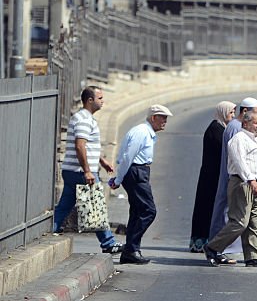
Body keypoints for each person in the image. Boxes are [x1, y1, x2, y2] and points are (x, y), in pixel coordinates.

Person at [53, 86, 123, 254]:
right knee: (96, 206)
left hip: (73, 171)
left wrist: (102, 161)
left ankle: (52, 228)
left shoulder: (84, 118)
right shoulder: (84, 119)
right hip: (81, 172)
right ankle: (108, 243)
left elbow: (87, 146)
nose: (103, 101)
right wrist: (87, 171)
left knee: (64, 206)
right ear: (90, 100)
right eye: (100, 98)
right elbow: (80, 146)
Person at [205, 111, 257, 268]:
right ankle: (213, 247)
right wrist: (251, 179)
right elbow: (240, 162)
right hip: (244, 183)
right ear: (245, 123)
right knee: (240, 222)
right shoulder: (239, 139)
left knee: (255, 222)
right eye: (255, 123)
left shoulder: (254, 140)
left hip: (256, 185)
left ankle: (253, 257)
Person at [111, 104, 173, 264]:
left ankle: (131, 251)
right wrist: (118, 179)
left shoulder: (146, 132)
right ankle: (131, 248)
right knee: (148, 211)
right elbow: (127, 157)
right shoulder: (141, 132)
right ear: (153, 118)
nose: (165, 122)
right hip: (135, 172)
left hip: (139, 172)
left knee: (137, 212)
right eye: (163, 118)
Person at [189, 101, 235, 253]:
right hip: (211, 177)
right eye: (230, 113)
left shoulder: (221, 128)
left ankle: (206, 240)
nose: (233, 116)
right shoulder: (216, 129)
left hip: (213, 175)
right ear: (223, 113)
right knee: (207, 207)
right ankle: (203, 242)